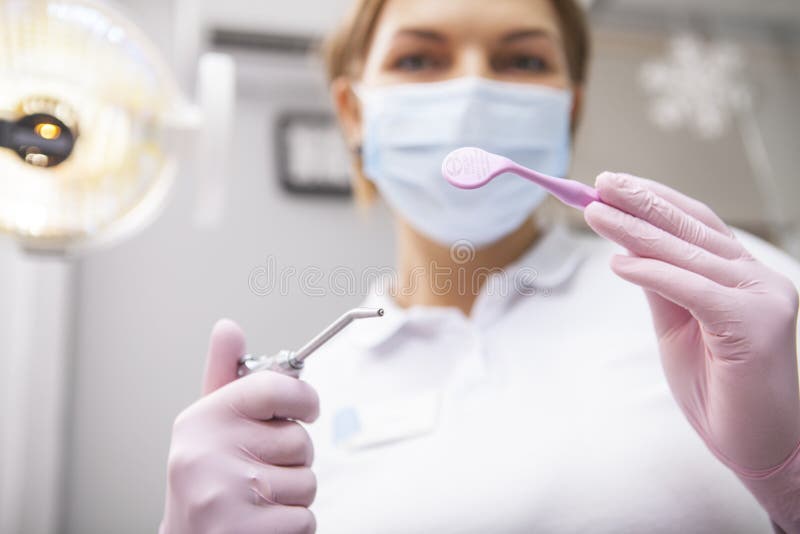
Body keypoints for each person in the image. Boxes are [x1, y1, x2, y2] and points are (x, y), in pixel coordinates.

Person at [158, 1, 800, 532]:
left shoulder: (727, 303)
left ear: (568, 109)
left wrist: (789, 478)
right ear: (354, 112)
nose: (471, 91)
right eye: (417, 58)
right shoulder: (296, 409)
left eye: (523, 59)